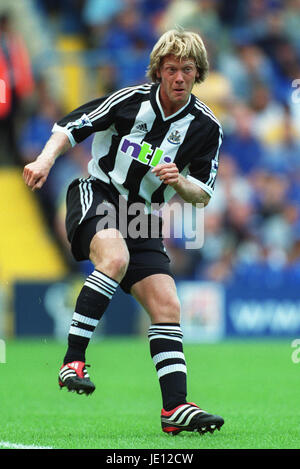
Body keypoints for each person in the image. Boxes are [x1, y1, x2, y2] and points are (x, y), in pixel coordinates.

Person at [23, 29, 224, 436]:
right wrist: (45, 161)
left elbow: (202, 194)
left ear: (198, 72)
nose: (180, 78)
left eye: (187, 69)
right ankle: (72, 360)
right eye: (172, 69)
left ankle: (174, 408)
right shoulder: (131, 100)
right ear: (159, 71)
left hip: (143, 215)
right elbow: (70, 126)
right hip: (96, 193)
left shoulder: (206, 127)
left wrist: (180, 183)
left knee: (168, 306)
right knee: (115, 258)